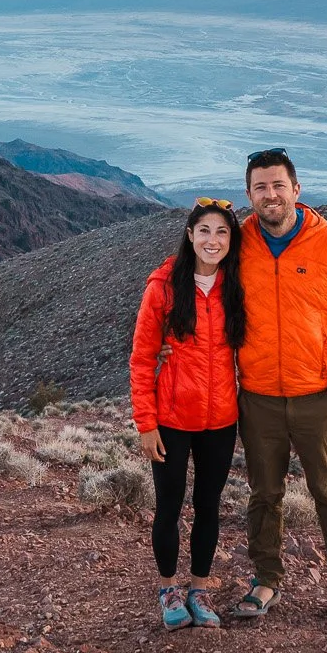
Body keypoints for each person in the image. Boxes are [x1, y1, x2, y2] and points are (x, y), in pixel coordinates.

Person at [230, 148, 327, 624]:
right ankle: (266, 580)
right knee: (263, 494)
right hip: (257, 397)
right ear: (249, 195)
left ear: (296, 189)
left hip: (317, 396)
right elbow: (200, 288)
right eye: (260, 187)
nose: (270, 195)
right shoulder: (239, 242)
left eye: (278, 185)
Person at [128, 197, 245, 629]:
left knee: (209, 505)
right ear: (190, 235)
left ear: (231, 240)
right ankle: (168, 587)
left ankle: (199, 588)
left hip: (221, 419)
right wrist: (146, 423)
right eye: (205, 232)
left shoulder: (237, 285)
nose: (212, 241)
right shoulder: (163, 287)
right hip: (172, 419)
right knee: (169, 505)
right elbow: (141, 358)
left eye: (222, 232)